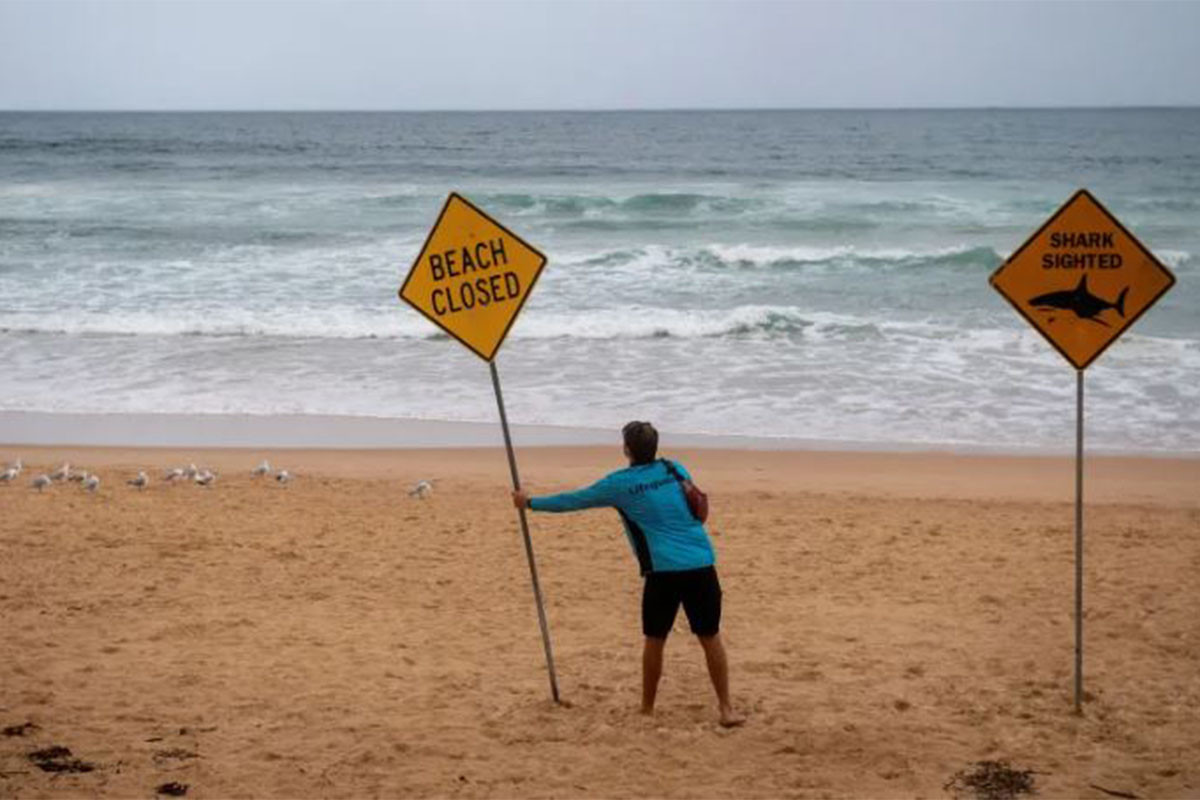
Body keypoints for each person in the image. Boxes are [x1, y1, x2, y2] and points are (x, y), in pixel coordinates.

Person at [511, 421, 744, 727]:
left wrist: (529, 503)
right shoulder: (676, 470)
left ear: (626, 449)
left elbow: (576, 500)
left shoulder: (619, 485)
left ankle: (647, 709)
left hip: (663, 570)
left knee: (655, 638)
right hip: (701, 562)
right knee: (710, 636)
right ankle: (726, 709)